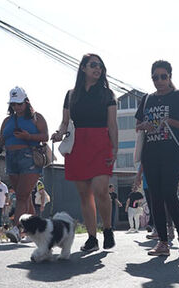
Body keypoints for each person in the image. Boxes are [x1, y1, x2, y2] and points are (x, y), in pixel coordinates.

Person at [51, 54, 118, 252]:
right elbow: (65, 122)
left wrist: (115, 148)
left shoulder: (108, 94)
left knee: (100, 190)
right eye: (93, 65)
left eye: (100, 66)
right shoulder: (71, 94)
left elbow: (112, 125)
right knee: (84, 194)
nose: (98, 69)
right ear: (83, 68)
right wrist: (58, 133)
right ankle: (91, 238)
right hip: (77, 145)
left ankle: (107, 229)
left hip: (100, 143)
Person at [135, 60, 179, 256]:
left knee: (169, 193)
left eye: (163, 76)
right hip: (151, 155)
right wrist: (145, 125)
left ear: (170, 77)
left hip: (172, 155)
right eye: (155, 77)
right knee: (155, 197)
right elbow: (138, 125)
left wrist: (170, 122)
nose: (159, 81)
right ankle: (162, 242)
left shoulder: (178, 96)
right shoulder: (147, 99)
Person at [0, 87, 48, 243]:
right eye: (14, 104)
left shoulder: (37, 118)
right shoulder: (7, 121)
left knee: (22, 195)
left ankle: (16, 229)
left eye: (19, 104)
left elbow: (45, 136)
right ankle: (36, 230)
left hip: (30, 157)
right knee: (25, 196)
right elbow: (2, 139)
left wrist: (28, 136)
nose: (17, 107)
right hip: (11, 157)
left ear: (26, 102)